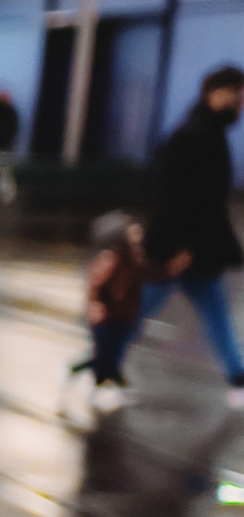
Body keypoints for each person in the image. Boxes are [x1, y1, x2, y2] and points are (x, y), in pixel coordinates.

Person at [139, 64, 244, 407]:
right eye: (236, 96)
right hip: (179, 250)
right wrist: (180, 247)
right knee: (137, 308)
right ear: (216, 93)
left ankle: (239, 379)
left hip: (199, 249)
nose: (239, 105)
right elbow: (172, 196)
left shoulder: (209, 133)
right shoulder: (192, 135)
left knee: (216, 312)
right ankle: (98, 365)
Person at [81, 210, 177, 412]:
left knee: (111, 354)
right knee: (106, 355)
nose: (138, 233)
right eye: (132, 231)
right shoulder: (110, 260)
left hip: (123, 318)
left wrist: (171, 269)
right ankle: (98, 392)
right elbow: (95, 286)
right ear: (121, 238)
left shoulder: (135, 258)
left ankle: (101, 385)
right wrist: (95, 306)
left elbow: (150, 272)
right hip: (106, 319)